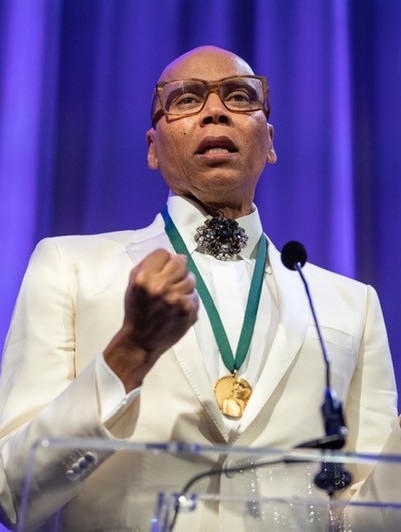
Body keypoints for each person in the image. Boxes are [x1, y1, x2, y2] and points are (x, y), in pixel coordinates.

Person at [0, 45, 400, 531]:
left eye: (240, 97)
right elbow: (14, 493)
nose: (215, 111)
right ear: (153, 147)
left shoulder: (351, 304)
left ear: (270, 141)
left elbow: (371, 517)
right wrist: (129, 353)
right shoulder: (69, 267)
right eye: (187, 99)